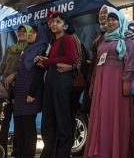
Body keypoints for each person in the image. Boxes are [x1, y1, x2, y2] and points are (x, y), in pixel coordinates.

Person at [84, 10, 134, 158]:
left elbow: (130, 63)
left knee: (114, 117)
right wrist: (93, 84)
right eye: (109, 20)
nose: (110, 22)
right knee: (100, 117)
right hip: (101, 84)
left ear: (120, 22)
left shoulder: (128, 40)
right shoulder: (104, 40)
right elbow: (97, 64)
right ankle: (99, 151)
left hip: (115, 85)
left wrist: (127, 84)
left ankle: (114, 152)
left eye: (114, 20)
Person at [35, 12, 77, 158]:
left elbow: (71, 59)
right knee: (48, 121)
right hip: (51, 81)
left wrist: (48, 61)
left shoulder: (66, 39)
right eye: (52, 21)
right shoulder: (53, 42)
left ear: (65, 26)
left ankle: (63, 154)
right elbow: (55, 61)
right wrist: (44, 60)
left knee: (62, 121)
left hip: (61, 81)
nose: (54, 24)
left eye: (58, 21)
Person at [11, 24, 50, 158]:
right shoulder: (27, 49)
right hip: (20, 91)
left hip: (30, 92)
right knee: (19, 125)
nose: (30, 34)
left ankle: (28, 155)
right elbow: (21, 72)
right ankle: (19, 154)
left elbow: (39, 73)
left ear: (40, 35)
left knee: (28, 126)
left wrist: (32, 94)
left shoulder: (42, 49)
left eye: (33, 32)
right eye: (30, 32)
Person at [0, 25, 31, 156]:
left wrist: (15, 75)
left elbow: (28, 69)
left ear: (28, 33)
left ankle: (17, 151)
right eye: (19, 32)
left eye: (24, 32)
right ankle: (1, 150)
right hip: (5, 89)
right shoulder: (10, 49)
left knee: (18, 121)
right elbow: (3, 66)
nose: (21, 34)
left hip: (20, 88)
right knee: (4, 120)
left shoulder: (29, 49)